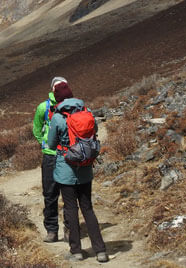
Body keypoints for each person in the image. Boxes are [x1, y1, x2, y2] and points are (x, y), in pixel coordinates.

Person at [47, 82, 109, 263]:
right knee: (88, 208)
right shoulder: (87, 112)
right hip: (85, 168)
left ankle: (77, 251)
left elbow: (51, 144)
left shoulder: (58, 118)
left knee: (70, 208)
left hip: (65, 169)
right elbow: (95, 131)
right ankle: (101, 251)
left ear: (57, 98)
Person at [32, 76, 70, 242]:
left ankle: (54, 231)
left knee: (51, 194)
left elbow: (36, 130)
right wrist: (45, 144)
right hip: (63, 155)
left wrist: (44, 144)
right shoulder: (44, 107)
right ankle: (61, 230)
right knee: (62, 194)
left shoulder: (69, 105)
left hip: (56, 156)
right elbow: (37, 128)